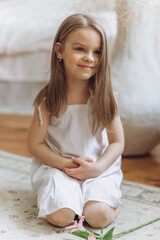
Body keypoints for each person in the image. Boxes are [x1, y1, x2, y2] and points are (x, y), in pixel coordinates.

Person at [28, 13, 124, 229]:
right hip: (58, 167)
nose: (90, 57)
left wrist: (97, 168)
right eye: (80, 49)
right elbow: (34, 145)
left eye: (97, 52)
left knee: (98, 217)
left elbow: (118, 143)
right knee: (62, 217)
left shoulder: (107, 97)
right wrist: (64, 164)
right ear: (60, 51)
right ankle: (68, 198)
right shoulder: (48, 99)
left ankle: (107, 203)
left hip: (97, 168)